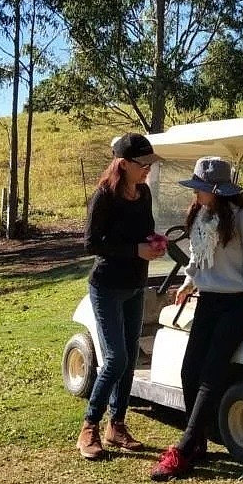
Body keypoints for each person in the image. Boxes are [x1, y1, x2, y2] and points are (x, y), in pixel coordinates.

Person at [150, 157, 243, 482]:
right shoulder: (204, 213)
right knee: (189, 370)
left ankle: (186, 447)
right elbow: (199, 254)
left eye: (202, 189)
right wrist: (190, 282)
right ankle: (199, 439)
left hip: (236, 304)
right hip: (208, 301)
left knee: (210, 375)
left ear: (217, 191)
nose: (197, 194)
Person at [77, 133, 166, 460]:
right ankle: (89, 427)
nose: (148, 171)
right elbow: (91, 243)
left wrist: (153, 241)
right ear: (124, 163)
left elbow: (144, 229)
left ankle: (117, 425)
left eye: (150, 164)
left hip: (135, 284)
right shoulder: (104, 196)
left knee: (130, 357)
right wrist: (134, 250)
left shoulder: (143, 194)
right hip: (107, 287)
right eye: (143, 165)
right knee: (116, 358)